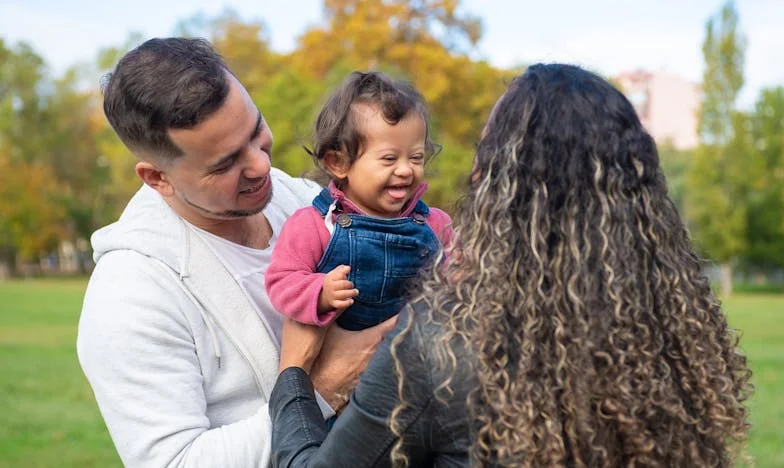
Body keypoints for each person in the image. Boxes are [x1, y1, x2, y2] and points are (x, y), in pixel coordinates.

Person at [268, 63, 753, 467]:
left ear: (499, 184)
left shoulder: (442, 342)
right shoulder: (657, 331)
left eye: (486, 154)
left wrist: (294, 374)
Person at [76, 37, 395, 467]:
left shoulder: (302, 200)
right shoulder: (130, 295)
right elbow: (175, 462)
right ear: (158, 178)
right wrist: (321, 389)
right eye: (225, 163)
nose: (261, 165)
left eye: (255, 131)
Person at [265, 71, 453, 331]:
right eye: (389, 158)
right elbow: (281, 281)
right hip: (348, 362)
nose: (405, 170)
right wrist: (319, 292)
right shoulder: (316, 225)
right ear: (339, 163)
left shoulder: (435, 224)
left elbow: (460, 283)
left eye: (416, 158)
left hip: (420, 359)